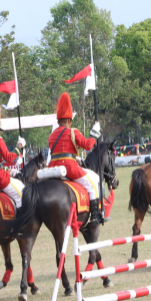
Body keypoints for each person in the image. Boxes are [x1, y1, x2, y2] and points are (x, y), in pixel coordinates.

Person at [47, 92, 105, 224]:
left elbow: (60, 151)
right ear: (69, 120)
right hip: (69, 168)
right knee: (91, 186)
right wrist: (94, 133)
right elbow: (88, 146)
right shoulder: (73, 132)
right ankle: (95, 215)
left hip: (53, 168)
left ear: (58, 120)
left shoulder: (51, 136)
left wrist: (75, 157)